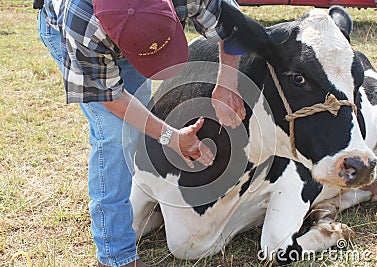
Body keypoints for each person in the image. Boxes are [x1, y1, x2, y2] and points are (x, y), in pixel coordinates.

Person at [37, 0, 246, 266]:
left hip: (119, 37)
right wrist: (171, 137)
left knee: (137, 125)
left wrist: (227, 82)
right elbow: (112, 99)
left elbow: (235, 24)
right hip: (72, 33)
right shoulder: (82, 23)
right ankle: (115, 255)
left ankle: (132, 201)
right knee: (114, 137)